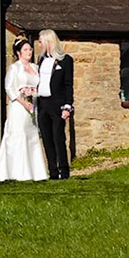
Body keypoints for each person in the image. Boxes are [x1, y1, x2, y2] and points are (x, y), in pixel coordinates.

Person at [0, 38, 46, 182]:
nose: (29, 52)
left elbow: (39, 86)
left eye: (30, 49)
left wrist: (34, 95)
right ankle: (16, 172)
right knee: (18, 135)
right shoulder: (15, 68)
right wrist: (22, 101)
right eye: (25, 50)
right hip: (19, 106)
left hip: (32, 105)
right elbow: (9, 87)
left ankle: (36, 172)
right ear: (18, 52)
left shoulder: (35, 67)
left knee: (32, 135)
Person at [36, 29, 75, 180]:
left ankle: (63, 171)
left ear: (48, 42)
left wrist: (67, 106)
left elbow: (68, 85)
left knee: (58, 137)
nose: (39, 45)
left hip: (57, 104)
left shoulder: (66, 60)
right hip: (43, 104)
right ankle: (52, 172)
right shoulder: (41, 60)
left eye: (41, 42)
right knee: (46, 138)